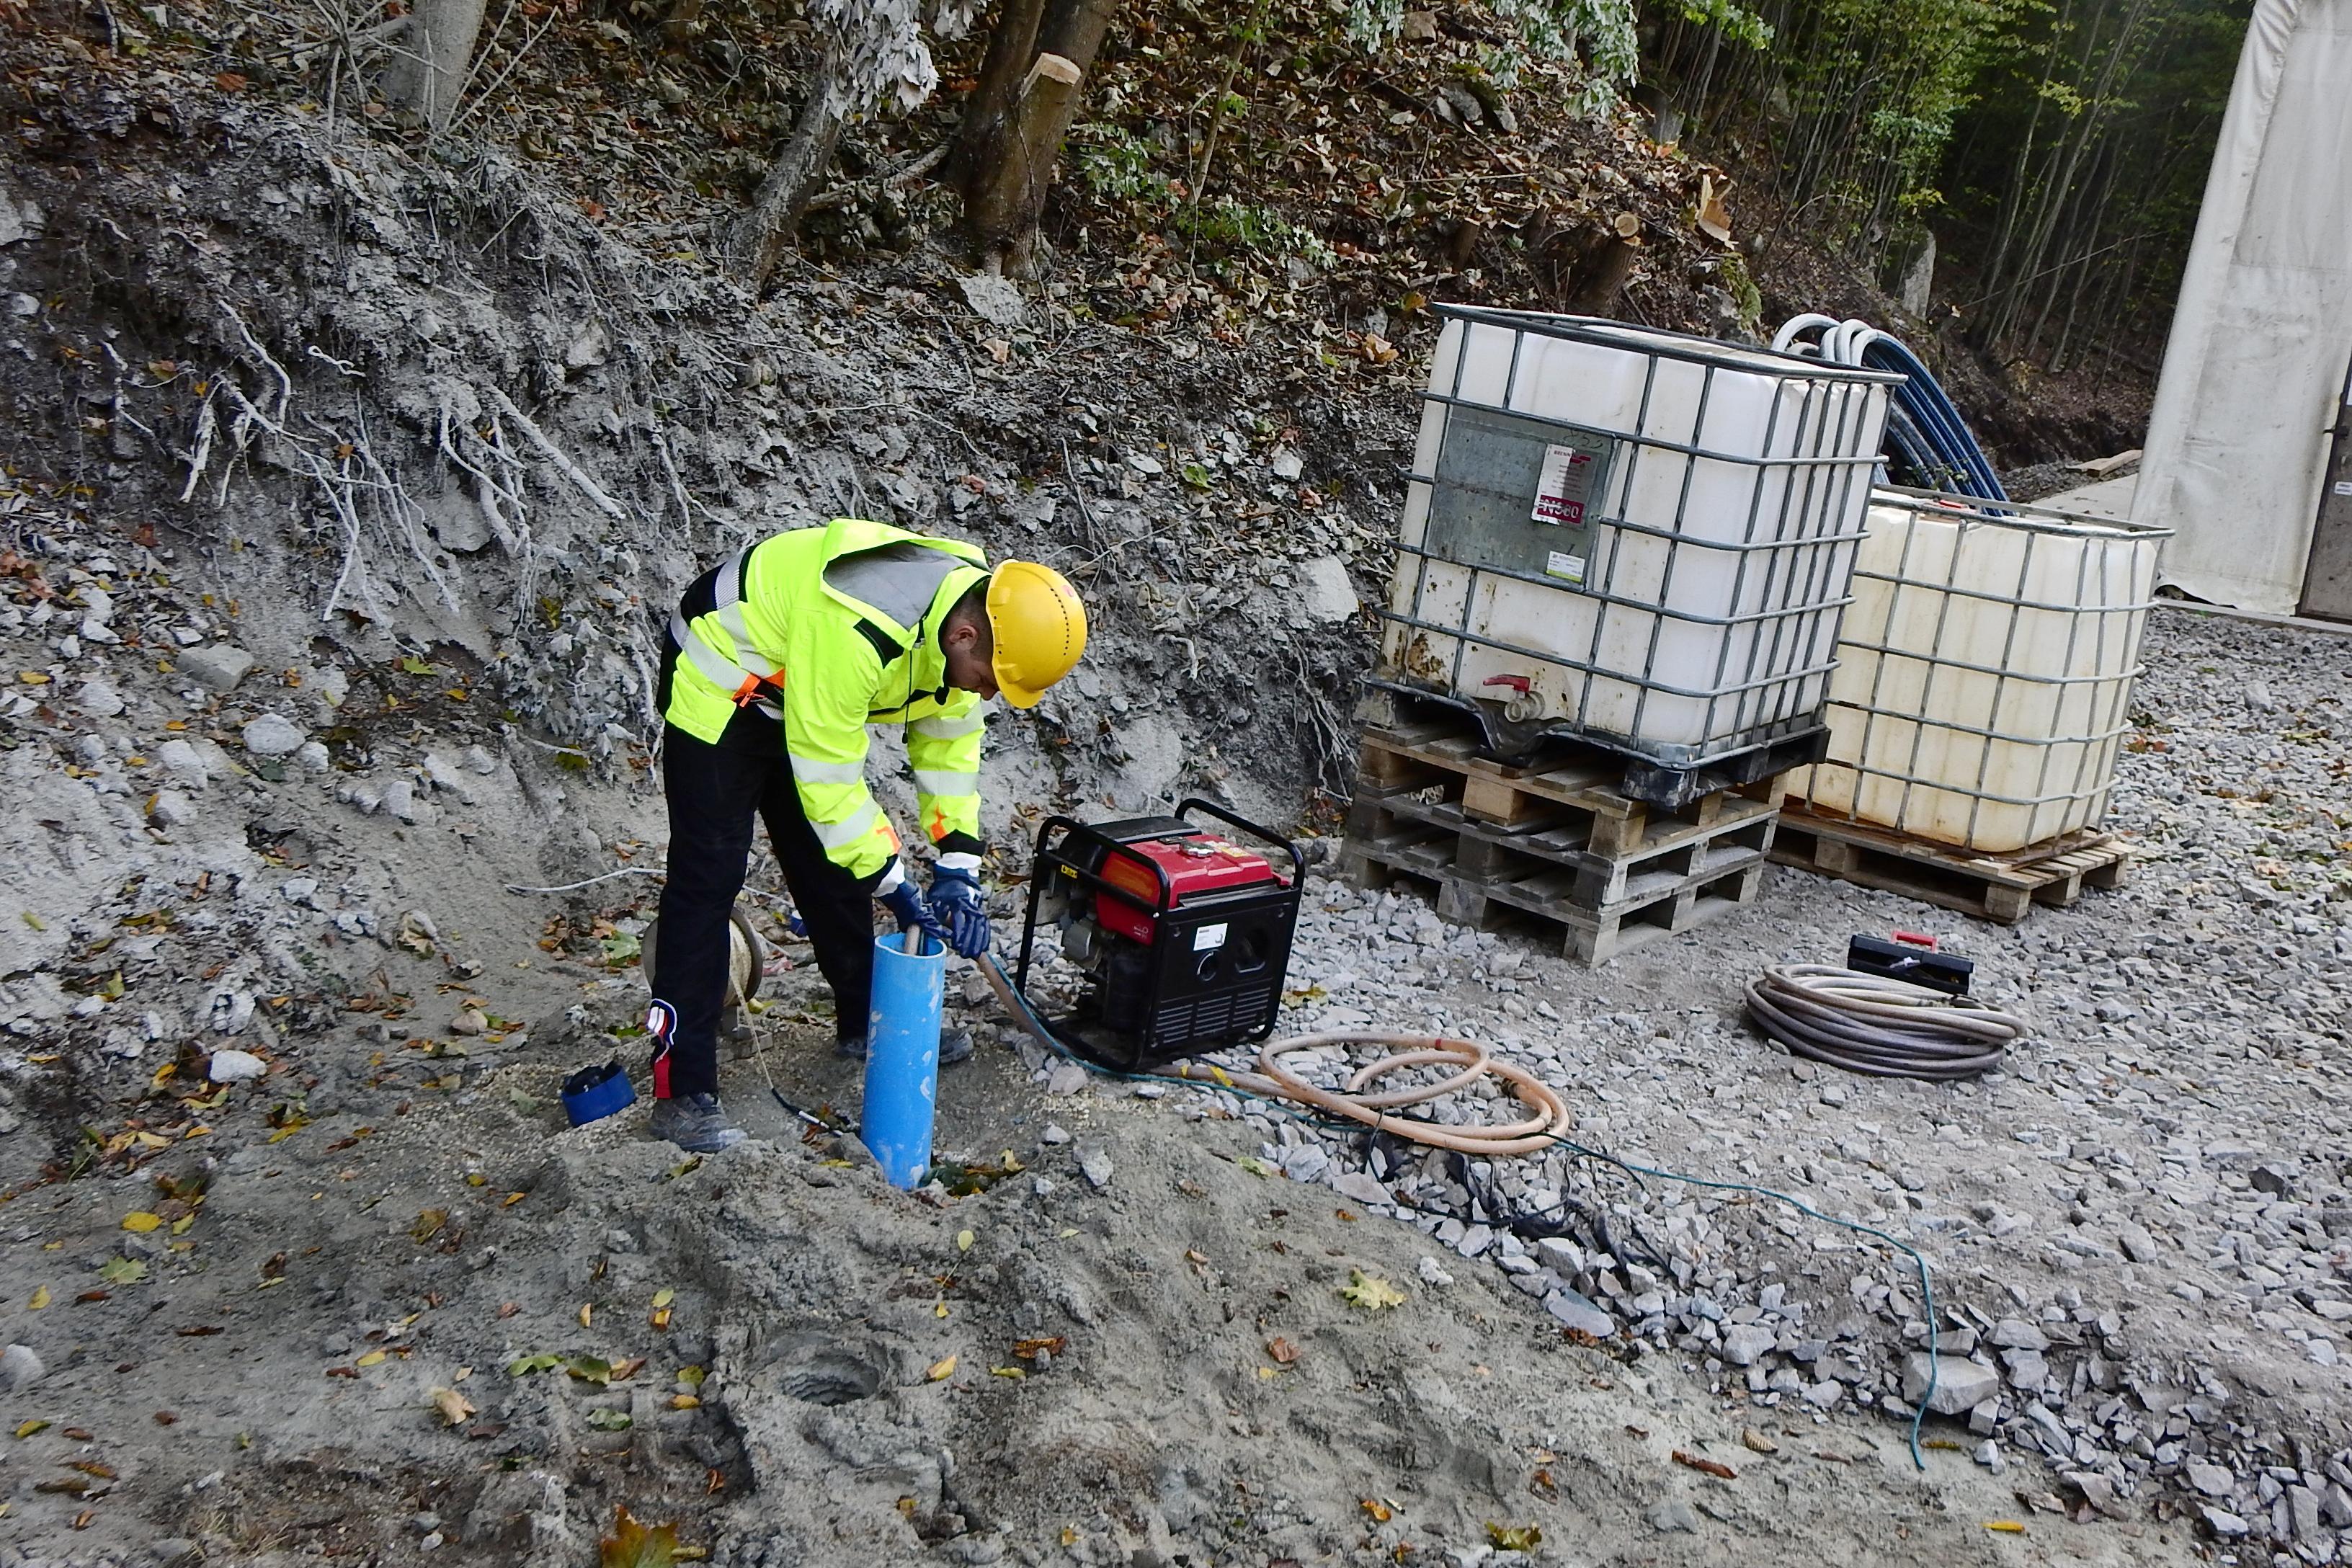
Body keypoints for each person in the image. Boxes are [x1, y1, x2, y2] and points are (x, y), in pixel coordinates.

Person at [643, 519, 1087, 1152]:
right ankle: (680, 1094)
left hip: (801, 692)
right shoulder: (860, 627)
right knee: (706, 878)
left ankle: (864, 1023)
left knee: (831, 865)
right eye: (990, 681)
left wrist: (960, 870)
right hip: (724, 685)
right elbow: (829, 779)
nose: (989, 695)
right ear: (965, 637)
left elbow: (950, 757)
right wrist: (899, 887)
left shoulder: (977, 622)